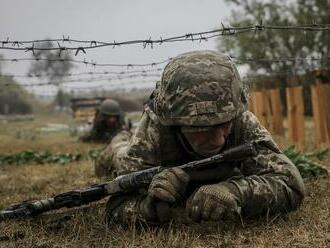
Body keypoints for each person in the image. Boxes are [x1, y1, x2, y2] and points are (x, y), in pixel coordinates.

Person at [97, 51, 305, 225]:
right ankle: (117, 141)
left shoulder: (240, 119)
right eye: (200, 128)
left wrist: (235, 192)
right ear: (175, 123)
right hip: (129, 150)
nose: (217, 140)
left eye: (222, 125)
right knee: (119, 152)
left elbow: (290, 183)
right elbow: (116, 207)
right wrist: (148, 208)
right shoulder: (155, 130)